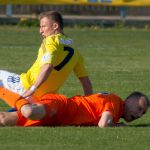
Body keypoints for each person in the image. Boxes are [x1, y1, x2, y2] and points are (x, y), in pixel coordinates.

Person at [0, 11, 93, 102]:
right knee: (18, 115)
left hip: (26, 86)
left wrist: (32, 89)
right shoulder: (75, 50)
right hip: (47, 97)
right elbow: (86, 82)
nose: (40, 31)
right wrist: (90, 105)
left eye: (43, 26)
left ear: (55, 26)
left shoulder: (51, 40)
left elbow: (48, 66)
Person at [0, 87, 149, 128]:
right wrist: (119, 126)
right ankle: (2, 89)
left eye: (143, 113)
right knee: (29, 111)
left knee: (5, 120)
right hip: (61, 106)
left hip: (58, 120)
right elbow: (103, 124)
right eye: (139, 108)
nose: (140, 114)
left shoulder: (116, 111)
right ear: (128, 101)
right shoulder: (115, 102)